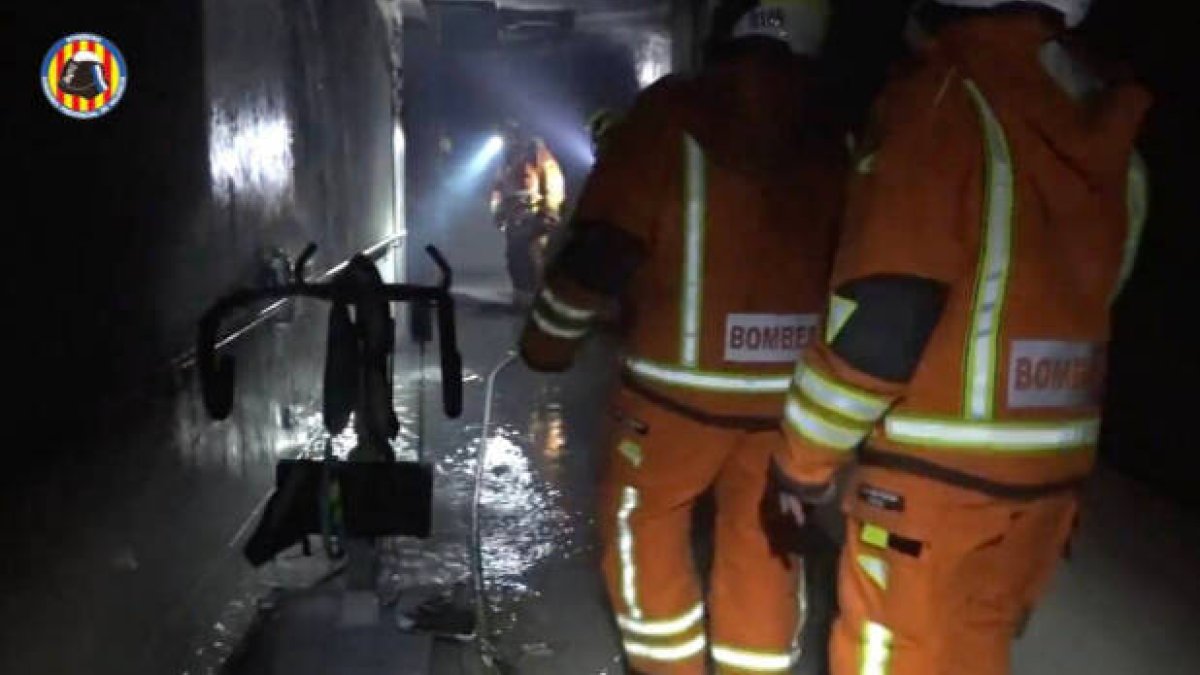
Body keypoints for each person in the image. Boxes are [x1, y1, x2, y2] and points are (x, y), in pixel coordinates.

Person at [769, 1, 1151, 674]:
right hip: (1047, 486)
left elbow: (882, 319)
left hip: (933, 491)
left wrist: (801, 462)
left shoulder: (940, 101)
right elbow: (1098, 293)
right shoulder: (1105, 125)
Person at [518, 1, 845, 672]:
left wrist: (547, 342)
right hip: (788, 403)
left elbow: (605, 250)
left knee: (643, 532)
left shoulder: (671, 114)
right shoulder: (830, 129)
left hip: (674, 401)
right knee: (766, 545)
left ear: (718, 36)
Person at [490, 120, 566, 305]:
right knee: (514, 257)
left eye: (509, 135)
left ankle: (540, 299)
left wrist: (549, 212)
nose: (507, 140)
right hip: (514, 217)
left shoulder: (539, 155)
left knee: (534, 257)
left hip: (535, 216)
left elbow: (553, 183)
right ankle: (521, 296)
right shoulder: (506, 160)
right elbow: (498, 189)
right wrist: (498, 213)